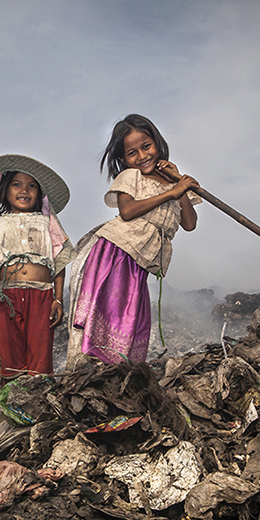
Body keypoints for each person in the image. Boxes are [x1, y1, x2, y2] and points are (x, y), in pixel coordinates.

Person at [66, 114, 200, 367]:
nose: (142, 156)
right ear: (123, 160)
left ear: (158, 143)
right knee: (113, 315)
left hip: (139, 261)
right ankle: (98, 371)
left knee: (131, 318)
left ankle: (118, 372)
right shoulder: (131, 176)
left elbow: (189, 224)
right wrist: (173, 192)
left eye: (146, 146)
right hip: (116, 252)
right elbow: (127, 211)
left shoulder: (174, 183)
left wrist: (178, 182)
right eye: (132, 153)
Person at [0, 154, 75, 380]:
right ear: (5, 190)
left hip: (41, 296)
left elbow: (60, 262)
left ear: (40, 194)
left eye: (32, 186)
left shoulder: (48, 222)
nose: (24, 190)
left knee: (40, 355)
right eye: (16, 184)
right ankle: (13, 399)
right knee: (10, 355)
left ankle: (39, 398)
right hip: (7, 298)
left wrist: (58, 299)